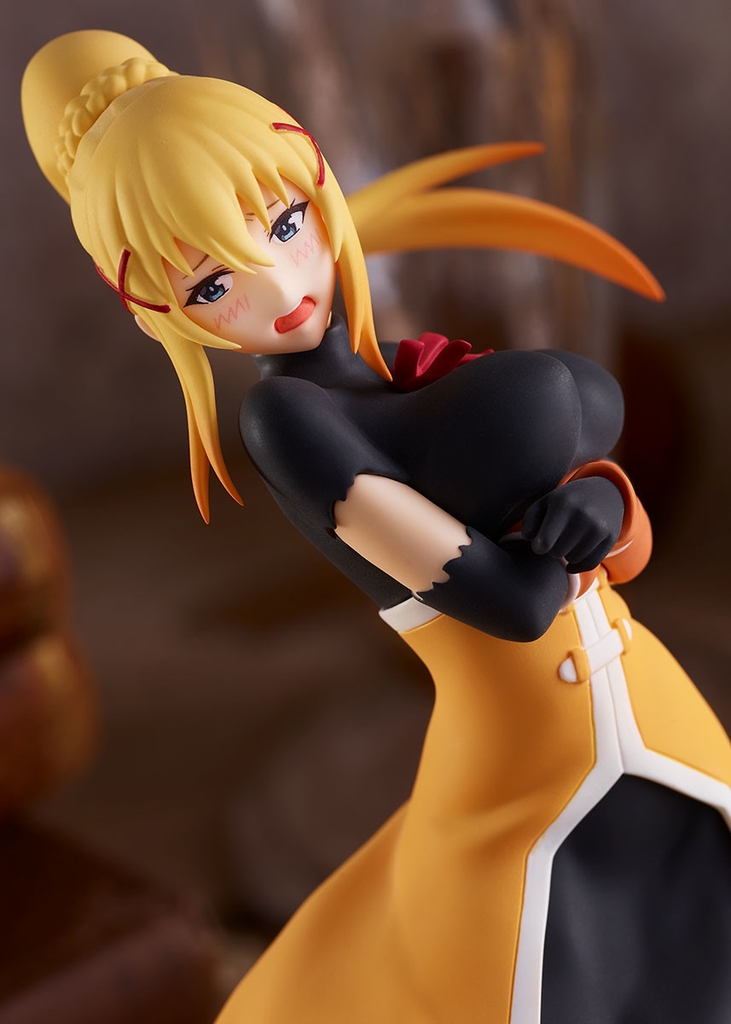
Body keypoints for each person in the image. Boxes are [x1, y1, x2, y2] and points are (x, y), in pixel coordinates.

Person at [22, 29, 731, 1024]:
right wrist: (564, 518)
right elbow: (511, 603)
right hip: (519, 761)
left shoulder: (400, 369)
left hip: (646, 705)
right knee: (522, 979)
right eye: (212, 285)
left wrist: (600, 503)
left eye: (284, 223)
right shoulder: (288, 424)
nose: (282, 289)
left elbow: (603, 492)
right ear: (154, 311)